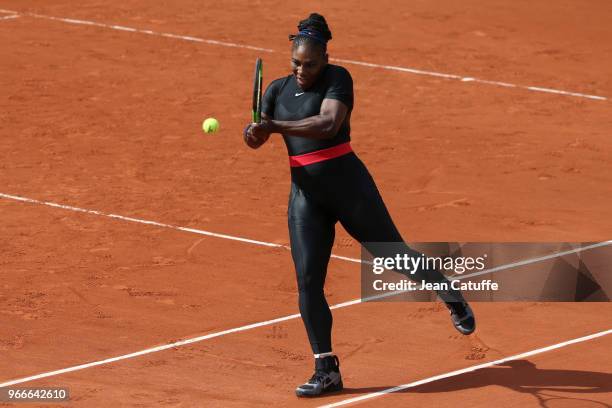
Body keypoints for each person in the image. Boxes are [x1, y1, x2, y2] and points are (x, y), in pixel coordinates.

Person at [243, 13, 475, 398]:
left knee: (394, 256)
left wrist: (275, 127)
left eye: (310, 64)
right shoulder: (276, 90)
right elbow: (258, 138)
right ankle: (326, 369)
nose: (302, 71)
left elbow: (328, 124)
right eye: (296, 63)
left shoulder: (339, 79)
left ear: (325, 57)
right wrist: (254, 134)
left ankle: (450, 295)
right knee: (307, 283)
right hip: (305, 197)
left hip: (350, 189)